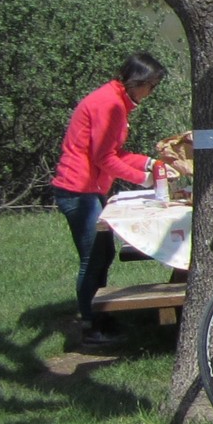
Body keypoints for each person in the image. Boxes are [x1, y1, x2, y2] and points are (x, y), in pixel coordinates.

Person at [51, 52, 167, 350]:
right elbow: (104, 158)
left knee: (103, 254)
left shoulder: (116, 101)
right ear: (137, 81)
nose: (151, 92)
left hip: (90, 189)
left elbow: (115, 153)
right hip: (78, 190)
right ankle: (90, 325)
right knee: (93, 258)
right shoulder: (110, 104)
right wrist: (144, 179)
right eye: (151, 85)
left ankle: (100, 314)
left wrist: (150, 163)